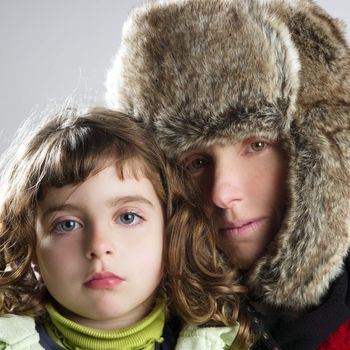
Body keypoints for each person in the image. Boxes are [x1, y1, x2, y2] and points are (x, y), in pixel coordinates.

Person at [105, 0, 350, 349]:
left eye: (256, 146)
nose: (222, 193)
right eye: (194, 162)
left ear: (319, 158)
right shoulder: (125, 323)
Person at [0, 107, 249, 349]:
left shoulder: (221, 342)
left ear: (170, 231)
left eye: (128, 217)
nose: (99, 246)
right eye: (67, 224)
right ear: (30, 246)